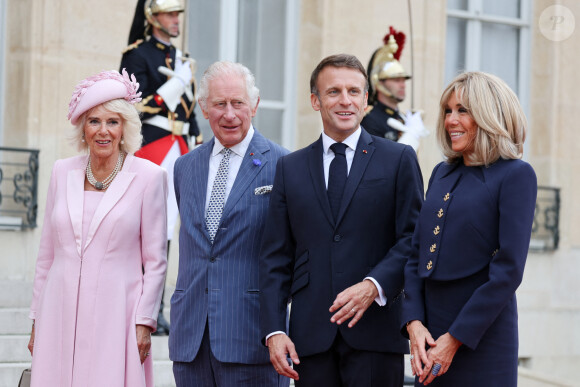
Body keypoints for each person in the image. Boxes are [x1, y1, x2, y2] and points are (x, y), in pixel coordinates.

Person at [259, 54, 424, 386]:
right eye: (334, 92)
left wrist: (372, 286)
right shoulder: (289, 168)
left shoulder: (398, 159)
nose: (345, 100)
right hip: (310, 340)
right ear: (315, 101)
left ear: (366, 100)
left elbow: (413, 239)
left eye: (354, 91)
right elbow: (275, 256)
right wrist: (275, 330)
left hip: (376, 333)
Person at [27, 69, 168, 387]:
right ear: (83, 128)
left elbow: (156, 262)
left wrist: (145, 321)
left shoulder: (149, 177)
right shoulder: (61, 172)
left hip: (117, 313)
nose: (103, 131)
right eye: (94, 121)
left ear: (125, 127)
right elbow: (46, 255)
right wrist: (36, 318)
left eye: (112, 122)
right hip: (58, 311)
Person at [402, 71, 537, 386]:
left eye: (462, 110)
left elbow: (508, 270)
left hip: (483, 339)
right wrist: (414, 323)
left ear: (490, 115)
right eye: (448, 111)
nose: (450, 120)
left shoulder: (516, 175)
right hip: (429, 338)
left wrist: (455, 338)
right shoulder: (441, 173)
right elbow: (415, 255)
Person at [169, 61, 290, 387]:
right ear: (204, 108)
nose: (230, 114)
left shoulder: (283, 165)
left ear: (254, 105)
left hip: (253, 337)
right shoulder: (184, 166)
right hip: (191, 339)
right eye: (220, 104)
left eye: (238, 103)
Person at [120, 0, 201, 335]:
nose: (175, 20)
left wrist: (196, 139)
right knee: (149, 227)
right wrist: (173, 85)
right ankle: (142, 305)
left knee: (169, 229)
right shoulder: (137, 55)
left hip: (180, 148)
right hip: (153, 145)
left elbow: (190, 110)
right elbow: (132, 104)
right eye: (169, 14)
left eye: (178, 14)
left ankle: (158, 307)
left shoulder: (181, 59)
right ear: (153, 17)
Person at [361, 27, 428, 151]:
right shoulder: (370, 119)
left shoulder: (403, 118)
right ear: (379, 83)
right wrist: (411, 135)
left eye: (403, 80)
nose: (402, 85)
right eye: (396, 80)